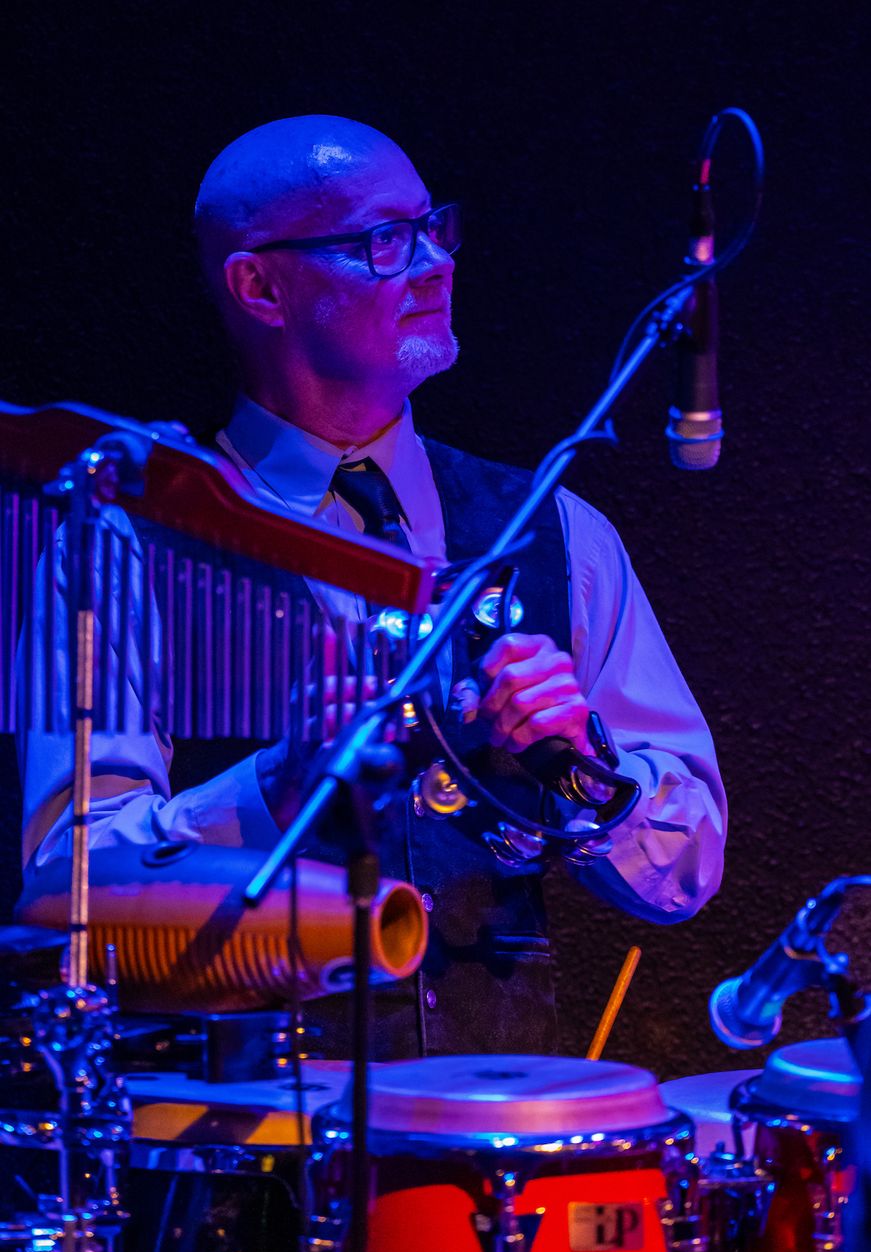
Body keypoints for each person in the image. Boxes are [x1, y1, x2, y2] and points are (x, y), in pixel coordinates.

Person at [18, 114, 726, 1058]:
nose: (435, 264)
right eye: (384, 240)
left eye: (435, 227)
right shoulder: (125, 542)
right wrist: (273, 787)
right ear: (260, 286)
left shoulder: (555, 532)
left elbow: (688, 873)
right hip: (243, 1128)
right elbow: (64, 889)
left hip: (489, 1127)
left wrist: (586, 765)